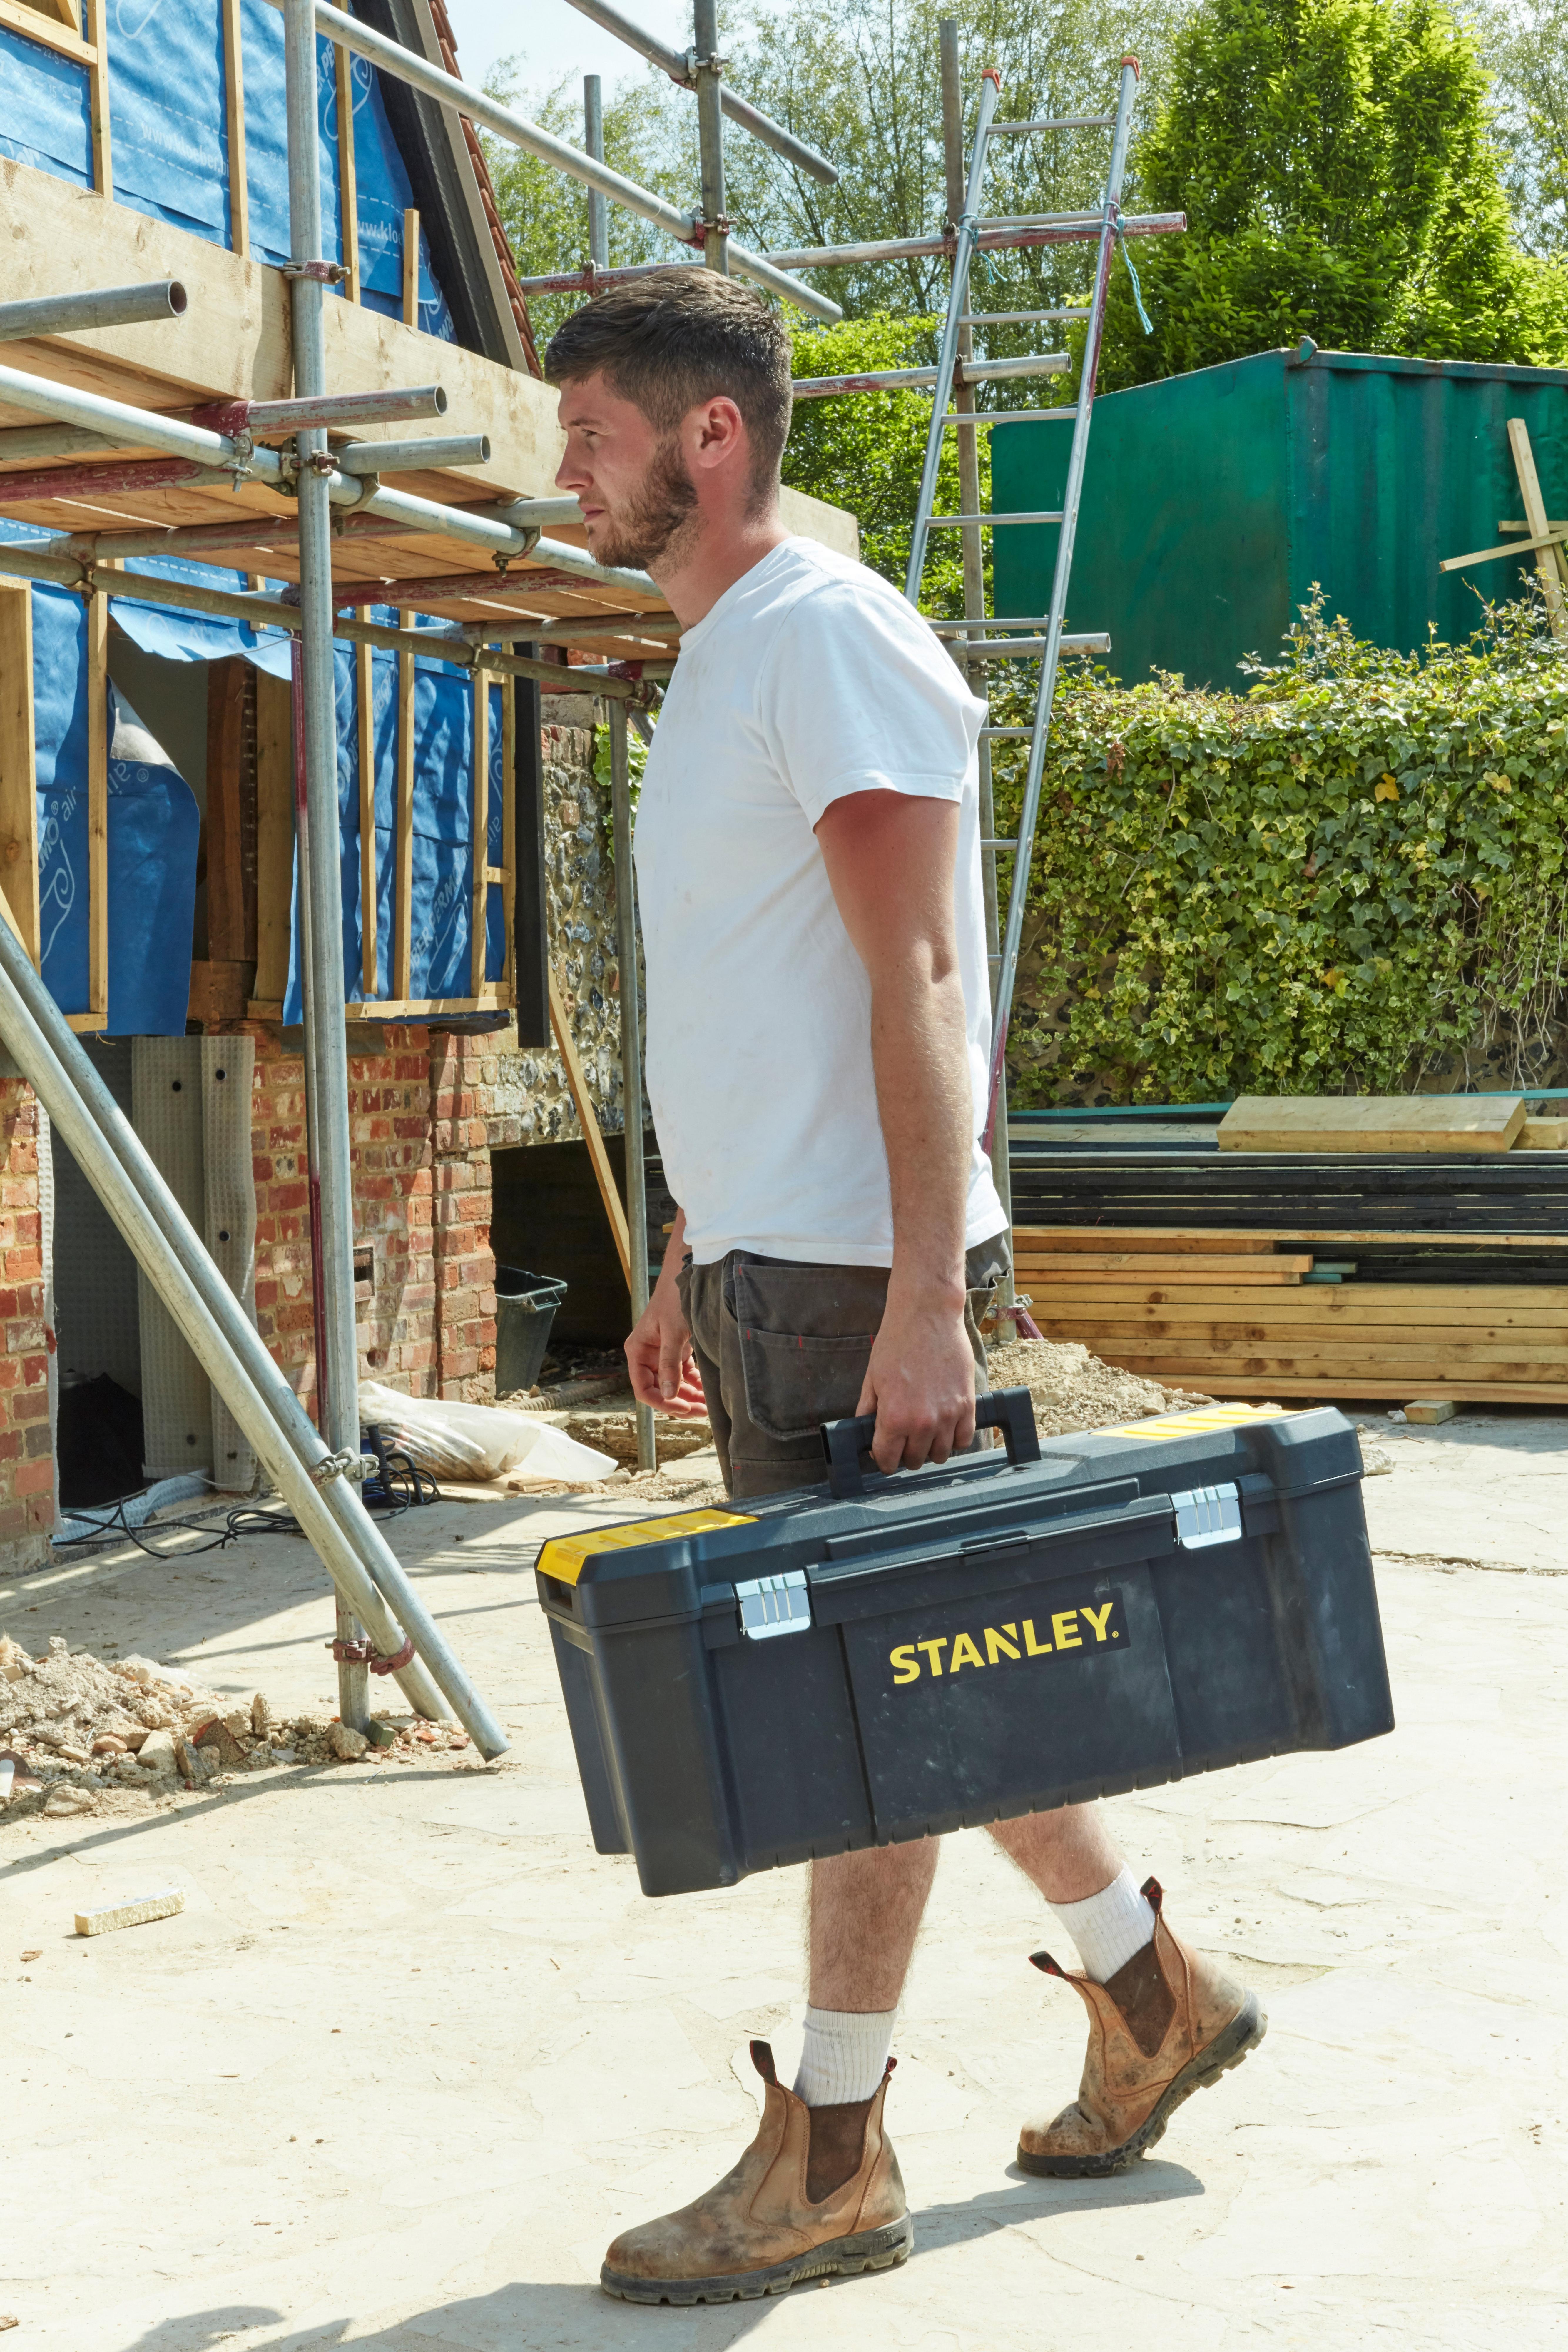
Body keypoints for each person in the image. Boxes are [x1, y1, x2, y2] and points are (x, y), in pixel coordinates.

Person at [546, 270, 1265, 2309]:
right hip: (779, 1262)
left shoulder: (828, 635)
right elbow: (754, 992)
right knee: (926, 1682)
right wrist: (689, 1239)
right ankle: (1157, 2000)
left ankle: (837, 2154)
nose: (565, 462)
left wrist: (928, 1295)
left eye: (592, 424)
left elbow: (922, 971)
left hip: (864, 1275)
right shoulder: (714, 662)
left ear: (713, 437)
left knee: (868, 1719)